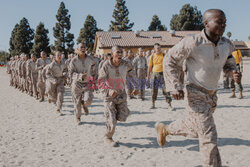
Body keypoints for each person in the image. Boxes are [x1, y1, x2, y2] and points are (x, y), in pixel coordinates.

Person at [155, 9, 241, 167]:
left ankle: (165, 129)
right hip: (194, 93)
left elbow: (228, 63)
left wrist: (233, 72)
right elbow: (170, 59)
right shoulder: (193, 42)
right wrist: (175, 86)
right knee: (208, 136)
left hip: (212, 95)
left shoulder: (227, 44)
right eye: (219, 21)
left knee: (196, 129)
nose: (223, 25)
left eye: (224, 22)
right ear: (206, 23)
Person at [98, 45, 138, 146]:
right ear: (112, 54)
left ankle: (122, 111)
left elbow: (132, 73)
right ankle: (108, 137)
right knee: (111, 120)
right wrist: (108, 91)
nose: (120, 54)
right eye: (117, 52)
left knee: (123, 117)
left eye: (121, 52)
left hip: (121, 93)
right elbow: (100, 82)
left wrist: (135, 86)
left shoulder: (126, 63)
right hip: (109, 95)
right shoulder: (106, 65)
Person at [69, 43, 96, 125]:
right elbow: (70, 73)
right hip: (77, 84)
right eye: (81, 47)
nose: (83, 48)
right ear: (78, 49)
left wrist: (94, 81)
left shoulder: (90, 60)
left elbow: (94, 71)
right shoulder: (73, 60)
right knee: (77, 103)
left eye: (84, 47)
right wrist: (80, 76)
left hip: (87, 82)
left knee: (89, 100)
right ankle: (78, 117)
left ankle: (84, 105)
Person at [148, 43, 172, 109]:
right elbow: (150, 67)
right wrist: (148, 76)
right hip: (154, 74)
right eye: (157, 48)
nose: (158, 49)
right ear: (154, 49)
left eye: (159, 48)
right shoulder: (152, 56)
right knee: (153, 90)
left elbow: (167, 65)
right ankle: (153, 104)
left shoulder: (164, 55)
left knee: (166, 90)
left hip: (162, 74)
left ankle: (169, 104)